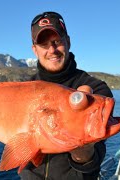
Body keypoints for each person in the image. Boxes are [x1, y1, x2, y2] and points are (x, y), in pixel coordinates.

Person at [19, 11, 114, 180]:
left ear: (68, 41)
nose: (52, 50)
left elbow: (96, 155)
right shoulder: (22, 90)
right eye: (44, 44)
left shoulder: (97, 90)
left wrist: (83, 153)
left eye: (57, 41)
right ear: (35, 50)